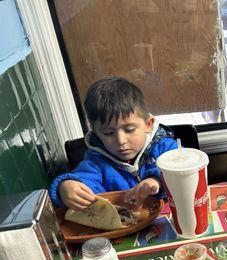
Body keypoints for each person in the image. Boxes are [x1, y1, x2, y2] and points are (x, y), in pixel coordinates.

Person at [49, 77, 178, 210]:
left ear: (148, 124)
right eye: (108, 133)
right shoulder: (96, 161)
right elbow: (85, 179)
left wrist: (155, 180)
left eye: (129, 130)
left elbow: (178, 173)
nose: (121, 141)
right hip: (126, 226)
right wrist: (66, 186)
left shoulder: (165, 147)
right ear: (96, 133)